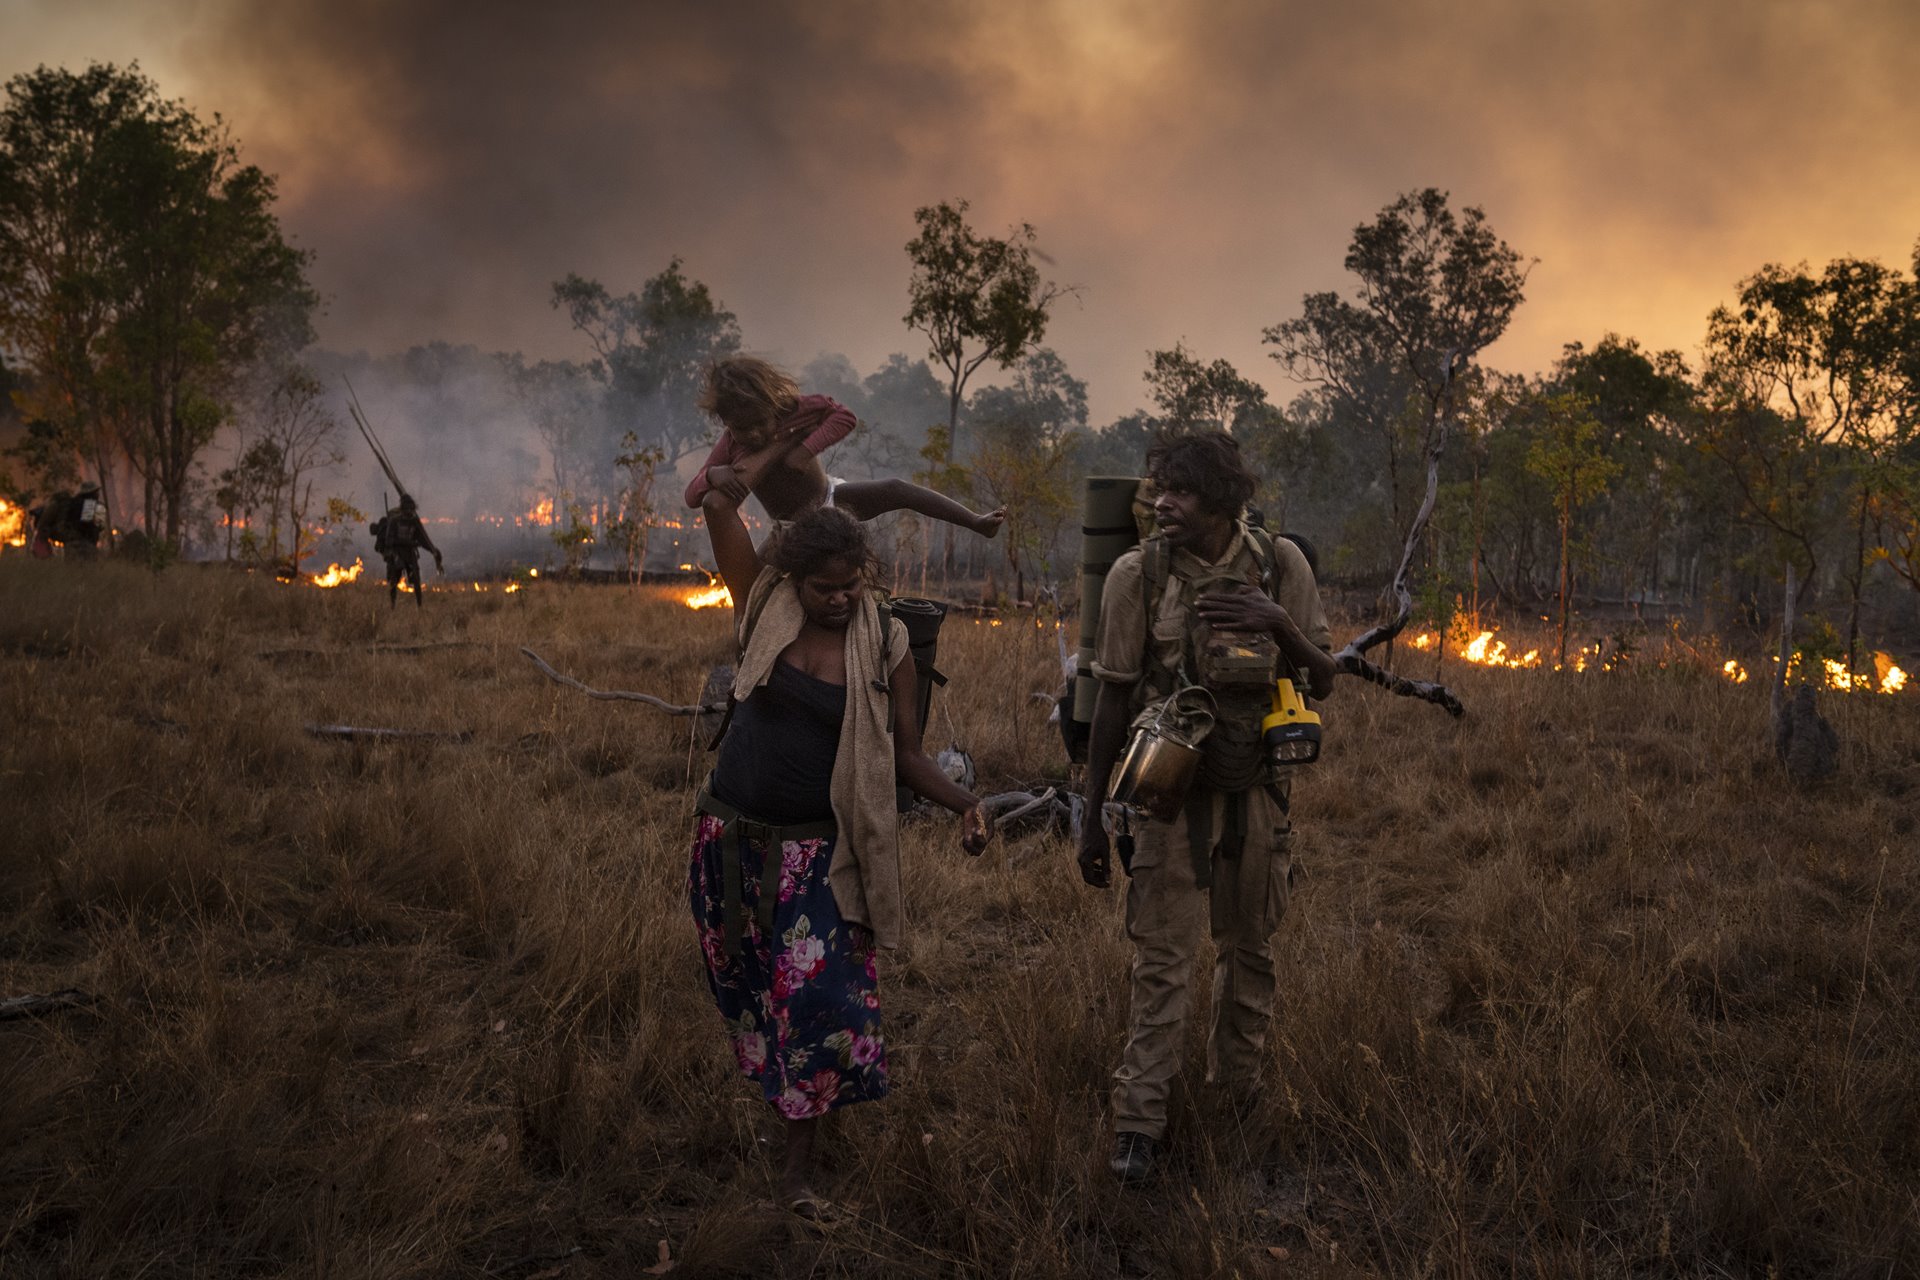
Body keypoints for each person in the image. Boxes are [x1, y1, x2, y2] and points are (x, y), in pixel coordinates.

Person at [692, 486, 994, 1214]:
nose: (838, 599)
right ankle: (785, 1110)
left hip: (818, 855)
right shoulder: (763, 606)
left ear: (867, 575)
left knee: (825, 1005)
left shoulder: (887, 641)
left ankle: (798, 1175)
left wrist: (969, 805)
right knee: (750, 994)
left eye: (851, 584)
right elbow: (717, 501)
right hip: (731, 840)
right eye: (823, 587)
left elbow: (908, 755)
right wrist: (775, 438)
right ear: (793, 580)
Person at [1077, 431, 1338, 1185]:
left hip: (1256, 789)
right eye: (1159, 486)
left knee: (1250, 952)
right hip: (1168, 795)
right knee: (1162, 959)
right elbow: (1113, 694)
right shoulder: (1138, 572)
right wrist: (1091, 815)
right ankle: (1139, 1123)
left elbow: (1323, 679)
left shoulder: (1280, 565)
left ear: (1224, 502)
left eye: (1182, 491)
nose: (1163, 501)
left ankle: (1239, 1103)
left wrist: (1276, 621)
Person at [685, 356, 1005, 539]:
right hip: (790, 529)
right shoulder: (729, 445)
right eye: (742, 428)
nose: (753, 434)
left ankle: (975, 521)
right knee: (764, 594)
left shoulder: (794, 409)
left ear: (773, 404)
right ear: (725, 421)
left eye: (760, 423)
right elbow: (691, 495)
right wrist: (713, 474)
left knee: (895, 488)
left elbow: (843, 416)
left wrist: (805, 450)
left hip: (832, 499)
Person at [375, 494, 442, 608]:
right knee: (394, 581)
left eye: (411, 509)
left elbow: (423, 538)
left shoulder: (414, 521)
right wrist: (401, 547)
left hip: (410, 553)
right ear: (403, 509)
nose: (409, 512)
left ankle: (419, 606)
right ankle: (393, 605)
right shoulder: (394, 521)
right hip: (396, 553)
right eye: (407, 509)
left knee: (416, 579)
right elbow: (389, 541)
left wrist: (433, 550)